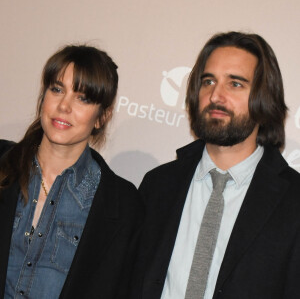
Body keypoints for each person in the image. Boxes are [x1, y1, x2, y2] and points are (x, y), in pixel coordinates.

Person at [132, 32, 300, 299]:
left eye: (235, 84)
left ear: (264, 97)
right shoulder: (158, 185)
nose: (215, 95)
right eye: (208, 81)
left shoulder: (294, 201)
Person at [0, 45, 143, 298]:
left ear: (102, 117)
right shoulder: (3, 163)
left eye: (82, 98)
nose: (64, 106)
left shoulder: (120, 204)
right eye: (57, 89)